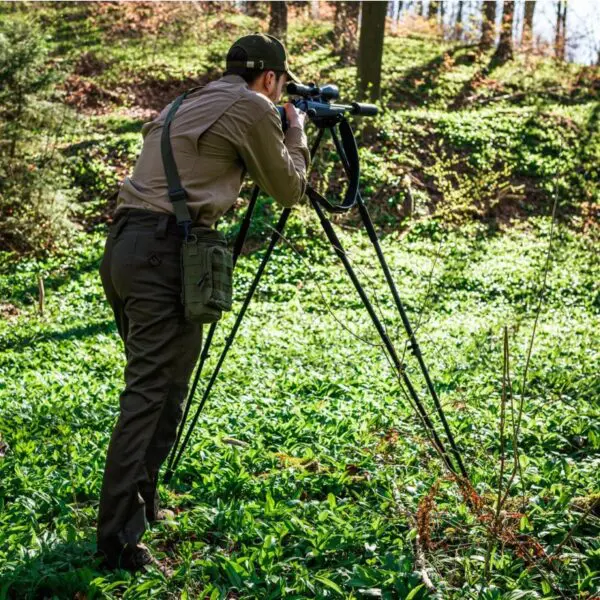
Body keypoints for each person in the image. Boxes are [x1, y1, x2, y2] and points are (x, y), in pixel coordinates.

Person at [97, 33, 309, 571]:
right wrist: (297, 130)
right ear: (269, 79)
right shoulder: (255, 105)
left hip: (126, 248)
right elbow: (289, 188)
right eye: (280, 84)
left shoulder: (188, 99)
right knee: (150, 394)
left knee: (164, 390)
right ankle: (116, 541)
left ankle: (138, 510)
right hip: (162, 257)